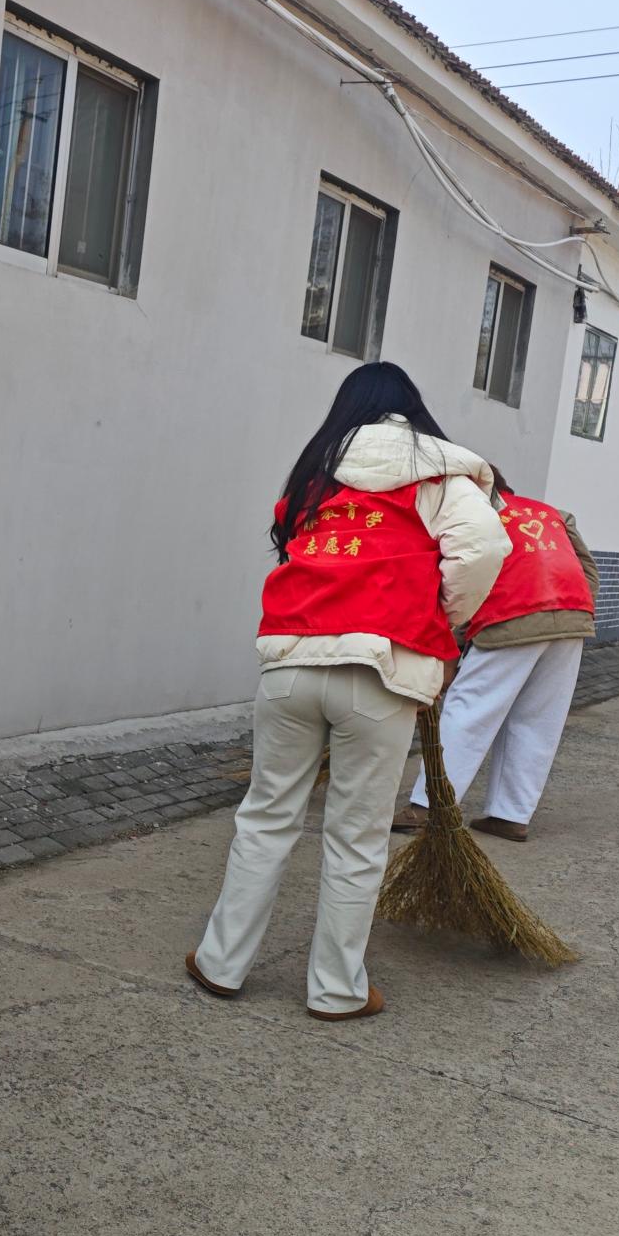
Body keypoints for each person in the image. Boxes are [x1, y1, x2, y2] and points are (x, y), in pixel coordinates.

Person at [184, 363, 508, 1019]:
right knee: (356, 837)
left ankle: (220, 963)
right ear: (412, 410)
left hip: (290, 662)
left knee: (265, 818)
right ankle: (336, 990)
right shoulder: (440, 474)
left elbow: (291, 540)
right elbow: (482, 549)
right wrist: (440, 621)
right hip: (378, 670)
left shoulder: (317, 471)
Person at [392, 468, 599, 842]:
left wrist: (449, 650)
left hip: (511, 615)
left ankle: (429, 807)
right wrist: (572, 612)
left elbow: (460, 583)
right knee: (538, 719)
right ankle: (510, 815)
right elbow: (588, 571)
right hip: (572, 616)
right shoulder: (553, 514)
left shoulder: (471, 517)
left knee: (469, 709)